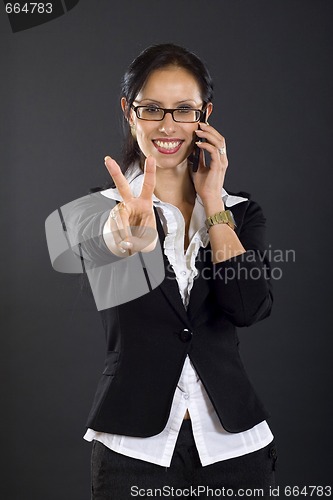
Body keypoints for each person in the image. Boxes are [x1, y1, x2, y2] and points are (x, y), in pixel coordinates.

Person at [46, 43, 277, 499]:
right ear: (129, 112)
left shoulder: (241, 213)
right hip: (134, 452)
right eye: (152, 109)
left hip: (235, 448)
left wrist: (214, 204)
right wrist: (122, 237)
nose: (168, 125)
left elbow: (248, 308)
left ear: (205, 114)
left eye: (184, 110)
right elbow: (85, 245)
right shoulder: (98, 211)